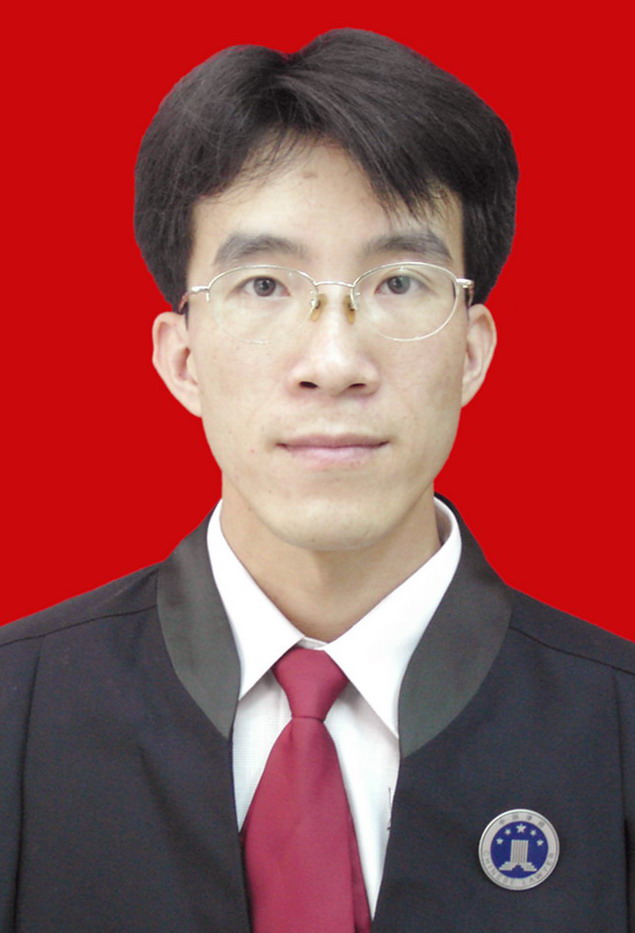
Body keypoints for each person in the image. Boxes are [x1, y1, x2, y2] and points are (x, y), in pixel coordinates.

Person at [1, 28, 633, 933]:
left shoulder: (616, 723)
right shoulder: (16, 711)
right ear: (182, 358)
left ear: (471, 351)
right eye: (263, 285)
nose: (333, 363)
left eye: (399, 283)